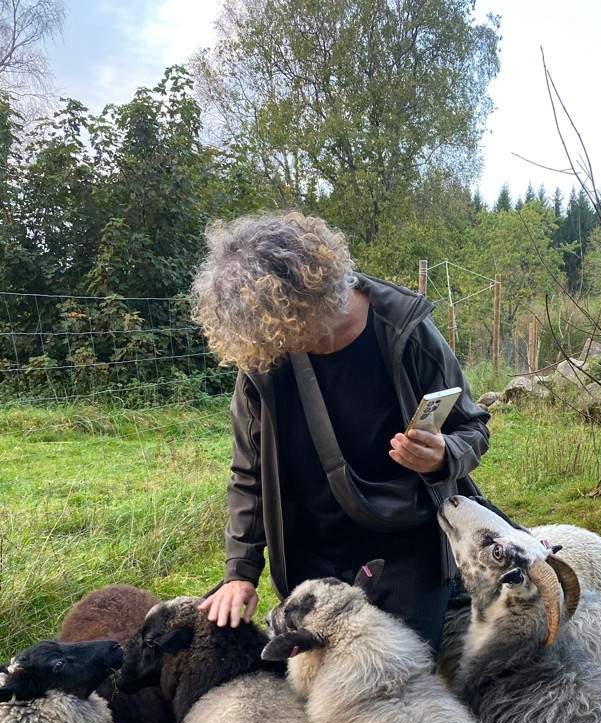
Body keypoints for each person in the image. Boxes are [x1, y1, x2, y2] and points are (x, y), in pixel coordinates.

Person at [192, 210, 490, 655]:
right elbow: (249, 471)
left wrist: (443, 454)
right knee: (319, 683)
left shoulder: (404, 330)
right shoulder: (265, 353)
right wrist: (240, 571)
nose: (279, 347)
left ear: (310, 296)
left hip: (408, 542)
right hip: (310, 549)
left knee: (399, 676)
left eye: (284, 328)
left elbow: (472, 428)